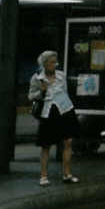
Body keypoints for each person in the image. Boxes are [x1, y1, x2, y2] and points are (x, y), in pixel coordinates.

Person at [28, 50, 80, 186]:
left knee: (68, 141)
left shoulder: (61, 76)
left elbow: (66, 91)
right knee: (46, 145)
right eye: (51, 62)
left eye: (55, 62)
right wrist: (42, 91)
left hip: (65, 110)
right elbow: (31, 96)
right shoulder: (37, 78)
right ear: (44, 64)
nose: (54, 65)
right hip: (49, 112)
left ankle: (67, 174)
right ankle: (43, 176)